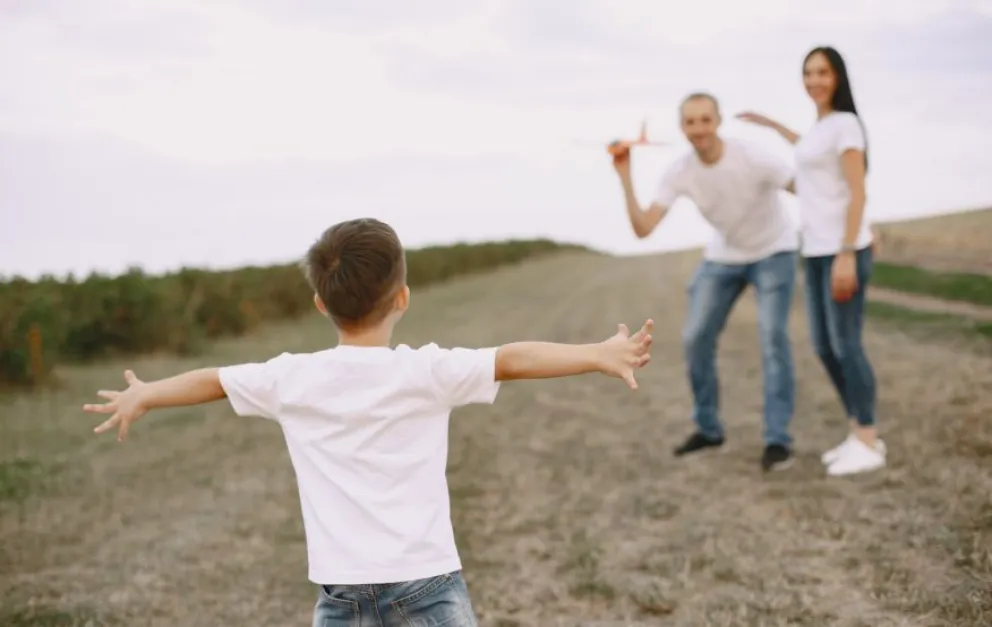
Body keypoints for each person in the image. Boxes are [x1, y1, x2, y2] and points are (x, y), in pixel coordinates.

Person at [81, 217, 654, 626]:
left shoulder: (291, 378)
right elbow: (514, 357)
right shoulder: (427, 371)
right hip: (428, 589)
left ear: (320, 305)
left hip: (341, 599)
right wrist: (596, 354)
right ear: (402, 298)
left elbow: (213, 379)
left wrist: (149, 393)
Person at [610, 92, 800, 472]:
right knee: (695, 337)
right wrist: (625, 175)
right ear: (682, 128)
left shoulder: (753, 156)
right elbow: (644, 228)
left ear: (718, 121)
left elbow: (809, 190)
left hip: (775, 251)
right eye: (691, 122)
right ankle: (709, 429)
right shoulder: (680, 171)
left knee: (772, 337)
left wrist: (855, 230)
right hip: (724, 257)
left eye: (705, 120)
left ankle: (777, 440)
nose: (699, 129)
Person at [737, 45, 885, 477]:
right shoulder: (822, 127)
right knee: (824, 347)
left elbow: (857, 191)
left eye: (822, 72)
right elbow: (809, 151)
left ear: (837, 76)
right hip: (816, 249)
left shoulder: (846, 125)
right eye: (808, 72)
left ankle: (869, 439)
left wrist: (846, 251)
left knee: (847, 345)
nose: (814, 80)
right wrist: (771, 124)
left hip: (843, 250)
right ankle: (857, 430)